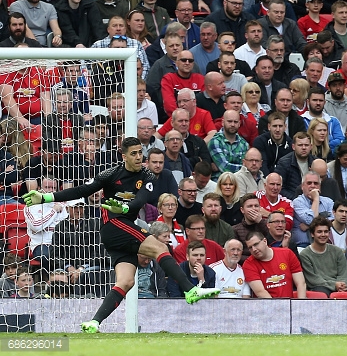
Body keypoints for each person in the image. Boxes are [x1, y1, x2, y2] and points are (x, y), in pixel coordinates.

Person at [23, 137, 220, 332]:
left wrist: (124, 208)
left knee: (126, 281)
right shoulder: (110, 174)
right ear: (124, 156)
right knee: (160, 247)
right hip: (114, 225)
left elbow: (140, 200)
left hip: (123, 226)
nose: (137, 157)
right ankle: (190, 290)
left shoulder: (148, 175)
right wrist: (46, 197)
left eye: (139, 153)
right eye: (133, 153)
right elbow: (83, 190)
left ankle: (94, 322)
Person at [243, 231, 306, 298]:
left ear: (265, 241)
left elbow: (300, 283)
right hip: (266, 305)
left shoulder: (287, 253)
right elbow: (260, 292)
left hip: (289, 304)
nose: (254, 249)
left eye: (256, 244)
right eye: (250, 247)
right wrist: (276, 307)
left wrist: (299, 305)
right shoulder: (248, 264)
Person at [299, 216, 347, 297]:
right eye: (319, 232)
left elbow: (343, 274)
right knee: (322, 293)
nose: (323, 235)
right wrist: (334, 285)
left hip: (339, 286)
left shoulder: (338, 251)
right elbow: (313, 280)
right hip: (319, 287)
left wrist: (342, 284)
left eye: (326, 232)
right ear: (312, 234)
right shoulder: (305, 255)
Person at [292, 172, 335, 247]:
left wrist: (308, 226)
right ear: (302, 186)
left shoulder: (329, 202)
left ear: (320, 186)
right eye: (309, 183)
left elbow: (333, 222)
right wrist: (316, 199)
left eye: (316, 183)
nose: (313, 186)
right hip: (303, 244)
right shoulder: (297, 202)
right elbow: (310, 219)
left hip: (326, 242)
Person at [274, 132, 315, 200]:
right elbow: (280, 188)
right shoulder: (284, 163)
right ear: (293, 147)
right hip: (292, 201)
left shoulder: (316, 162)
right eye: (300, 145)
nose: (304, 148)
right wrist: (296, 199)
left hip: (313, 199)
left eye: (306, 145)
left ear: (311, 146)